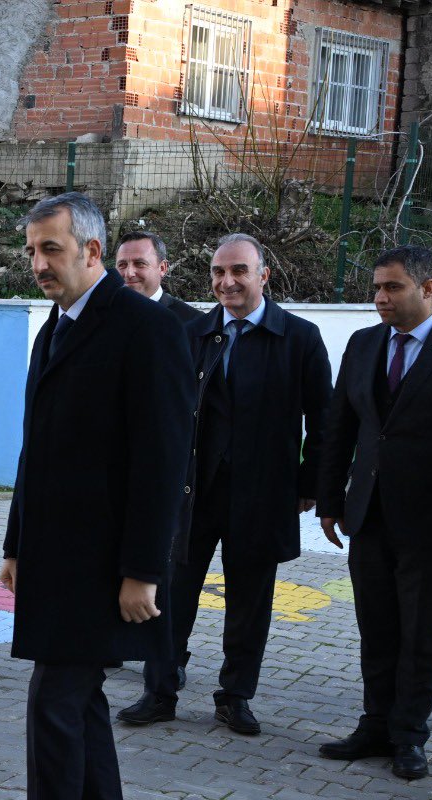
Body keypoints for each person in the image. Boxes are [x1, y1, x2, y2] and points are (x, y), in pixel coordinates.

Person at [0, 193, 194, 800]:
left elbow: (162, 458)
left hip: (108, 564)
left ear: (93, 251)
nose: (38, 264)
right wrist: (17, 541)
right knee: (78, 700)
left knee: (53, 705)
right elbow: (36, 445)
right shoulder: (56, 327)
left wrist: (144, 569)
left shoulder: (146, 329)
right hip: (53, 555)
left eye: (50, 249)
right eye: (32, 250)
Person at [118, 234, 332, 735]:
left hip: (263, 495)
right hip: (192, 492)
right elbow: (165, 414)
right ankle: (159, 690)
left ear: (264, 276)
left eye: (238, 271)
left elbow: (324, 421)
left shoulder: (299, 337)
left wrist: (311, 483)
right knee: (171, 596)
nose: (227, 282)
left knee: (249, 605)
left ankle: (235, 696)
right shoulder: (192, 332)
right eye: (218, 272)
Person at [318, 245, 432, 780]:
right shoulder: (363, 344)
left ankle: (409, 735)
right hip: (369, 516)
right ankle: (375, 725)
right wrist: (330, 500)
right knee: (376, 628)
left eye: (393, 287)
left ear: (427, 289)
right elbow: (341, 429)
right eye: (376, 287)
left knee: (422, 633)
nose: (380, 298)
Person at [115, 230, 203, 324]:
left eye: (139, 264)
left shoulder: (193, 322)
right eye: (122, 265)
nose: (129, 273)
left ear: (162, 268)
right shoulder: (102, 316)